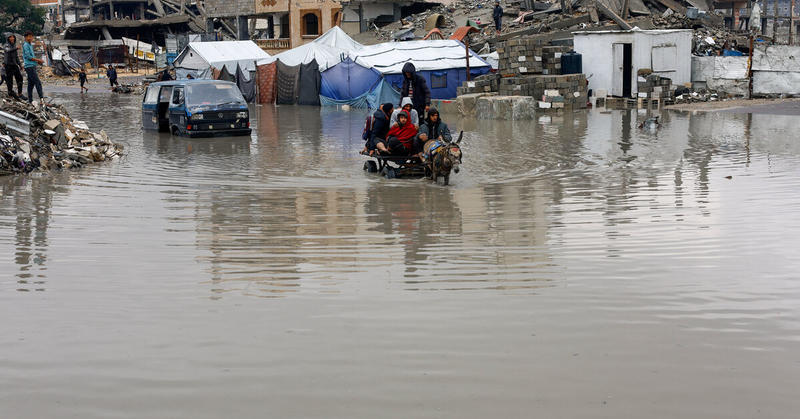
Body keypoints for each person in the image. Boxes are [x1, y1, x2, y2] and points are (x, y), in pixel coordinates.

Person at [22, 31, 44, 103]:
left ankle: (30, 100)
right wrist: (38, 60)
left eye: (31, 36)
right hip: (29, 66)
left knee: (30, 84)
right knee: (38, 82)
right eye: (29, 36)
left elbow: (32, 56)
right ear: (25, 37)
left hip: (32, 65)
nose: (31, 38)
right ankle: (41, 99)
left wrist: (37, 61)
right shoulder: (26, 45)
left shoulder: (30, 45)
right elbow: (28, 57)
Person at [4, 34, 25, 99]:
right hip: (8, 65)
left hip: (14, 65)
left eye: (13, 37)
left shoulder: (14, 46)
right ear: (8, 39)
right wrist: (16, 48)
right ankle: (10, 94)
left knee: (20, 78)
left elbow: (16, 57)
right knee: (9, 80)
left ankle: (20, 93)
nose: (12, 38)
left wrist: (20, 65)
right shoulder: (6, 45)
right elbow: (8, 50)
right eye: (10, 37)